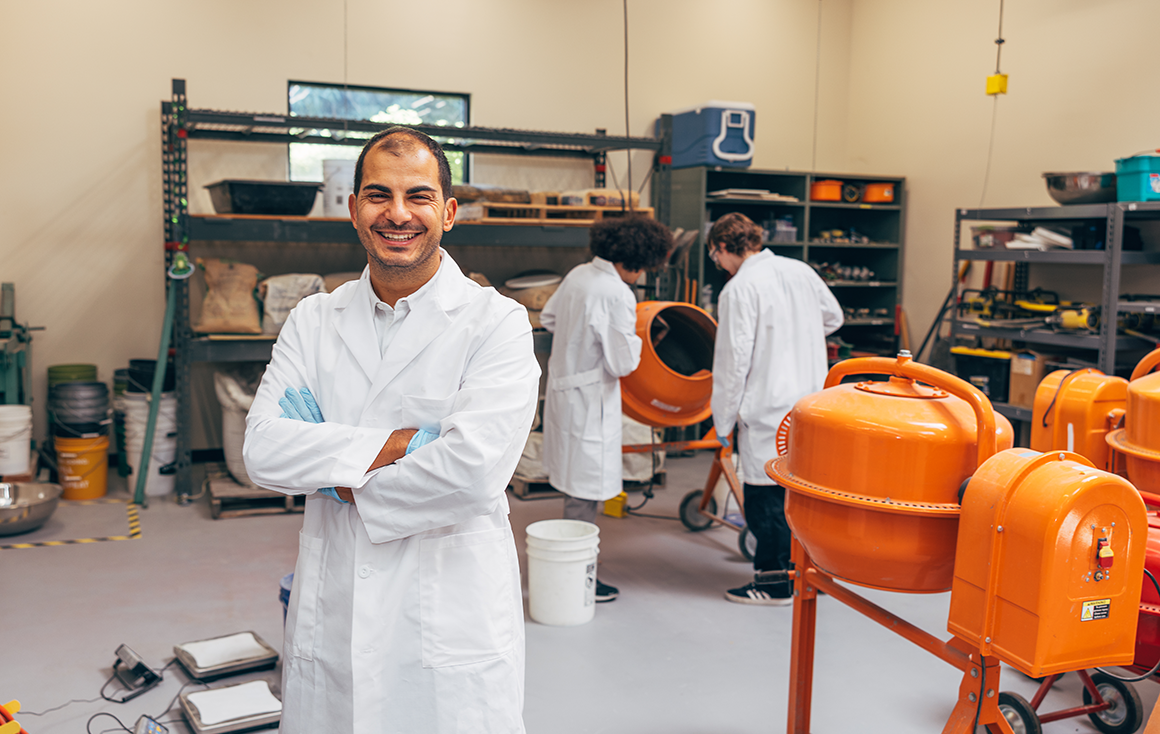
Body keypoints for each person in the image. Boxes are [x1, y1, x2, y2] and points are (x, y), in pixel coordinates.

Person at [243, 126, 540, 733]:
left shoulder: (496, 324)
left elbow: (476, 472)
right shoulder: (314, 320)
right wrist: (410, 444)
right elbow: (265, 451)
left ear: (449, 212)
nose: (398, 214)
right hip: (336, 606)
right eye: (378, 195)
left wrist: (332, 471)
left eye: (419, 196)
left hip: (451, 616)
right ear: (352, 210)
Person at [707, 212, 843, 606]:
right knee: (801, 492)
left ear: (724, 249)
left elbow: (733, 364)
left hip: (767, 408)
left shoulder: (738, 289)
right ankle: (806, 574)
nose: (719, 265)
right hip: (810, 402)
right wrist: (794, 331)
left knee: (765, 496)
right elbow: (834, 317)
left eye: (717, 257)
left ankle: (773, 583)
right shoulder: (799, 270)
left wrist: (723, 421)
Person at [540, 216, 673, 602]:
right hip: (590, 401)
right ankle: (578, 577)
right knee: (585, 493)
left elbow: (549, 318)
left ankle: (575, 567)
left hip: (566, 391)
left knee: (575, 486)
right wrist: (641, 340)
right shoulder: (617, 293)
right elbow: (623, 364)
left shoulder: (578, 274)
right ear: (635, 258)